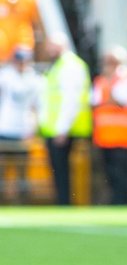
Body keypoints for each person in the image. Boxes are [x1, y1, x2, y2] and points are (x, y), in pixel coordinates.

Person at [37, 34, 91, 206]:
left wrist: (62, 128)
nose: (48, 49)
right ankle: (63, 201)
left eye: (52, 45)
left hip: (64, 129)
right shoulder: (58, 66)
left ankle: (65, 203)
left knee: (63, 170)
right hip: (54, 128)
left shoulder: (70, 66)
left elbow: (71, 100)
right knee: (58, 170)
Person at [91, 46, 127, 205]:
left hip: (124, 137)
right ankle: (115, 201)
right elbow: (94, 102)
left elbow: (121, 100)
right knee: (110, 173)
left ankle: (123, 202)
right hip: (105, 137)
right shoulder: (101, 80)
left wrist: (108, 95)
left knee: (123, 174)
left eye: (111, 62)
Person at [0, 46, 40, 203]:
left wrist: (34, 126)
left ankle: (22, 199)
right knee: (2, 167)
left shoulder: (35, 79)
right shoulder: (5, 76)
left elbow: (36, 106)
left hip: (23, 128)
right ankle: (2, 199)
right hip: (5, 126)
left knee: (22, 168)